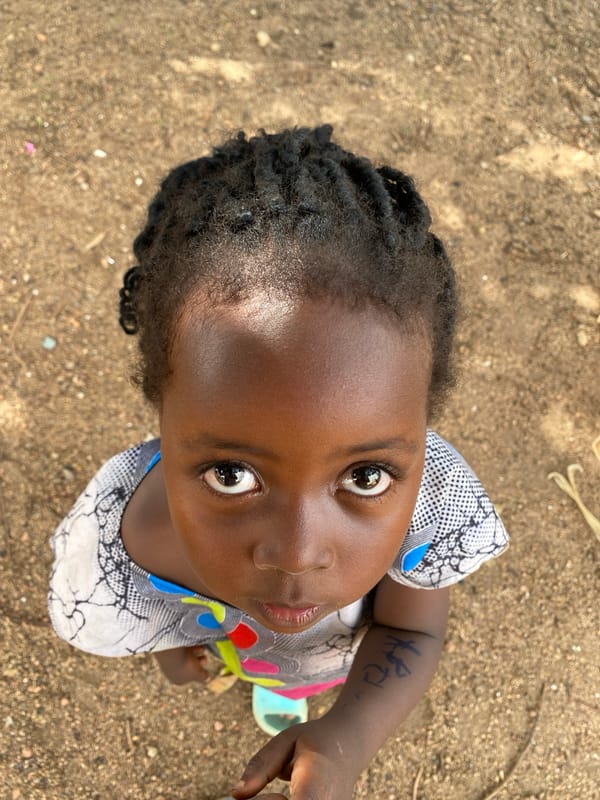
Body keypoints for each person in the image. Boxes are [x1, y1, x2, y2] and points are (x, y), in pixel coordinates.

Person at [49, 125, 509, 800]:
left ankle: (297, 686)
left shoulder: (430, 507)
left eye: (365, 477)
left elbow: (410, 628)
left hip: (339, 661)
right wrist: (176, 653)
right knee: (270, 671)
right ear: (161, 413)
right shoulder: (117, 551)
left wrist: (347, 733)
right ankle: (276, 681)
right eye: (232, 474)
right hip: (238, 648)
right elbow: (158, 634)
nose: (296, 554)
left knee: (303, 675)